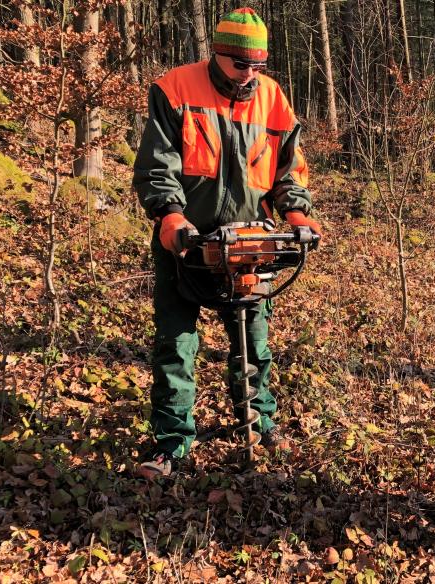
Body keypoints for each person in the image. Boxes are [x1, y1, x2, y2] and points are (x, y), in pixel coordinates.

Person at [132, 7, 322, 480]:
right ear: (218, 54)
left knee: (253, 342)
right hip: (188, 242)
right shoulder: (174, 88)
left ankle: (258, 424)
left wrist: (296, 211)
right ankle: (171, 442)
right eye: (242, 64)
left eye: (259, 65)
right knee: (176, 345)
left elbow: (287, 168)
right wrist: (169, 215)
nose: (251, 73)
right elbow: (158, 163)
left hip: (250, 244)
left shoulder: (274, 99)